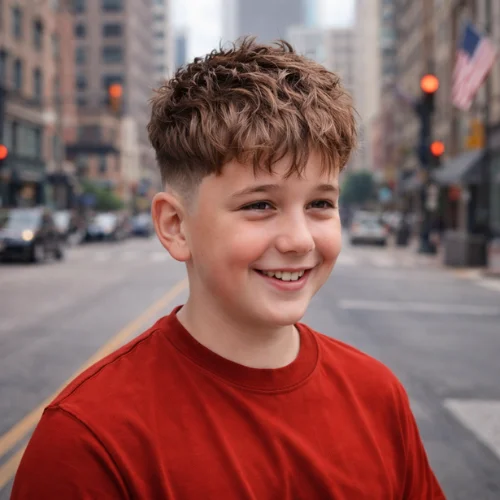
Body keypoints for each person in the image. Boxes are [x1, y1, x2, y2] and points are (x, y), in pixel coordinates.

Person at [12, 38, 445, 499]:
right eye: (260, 204)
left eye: (320, 203)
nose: (299, 239)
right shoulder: (87, 442)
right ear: (176, 226)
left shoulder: (378, 396)